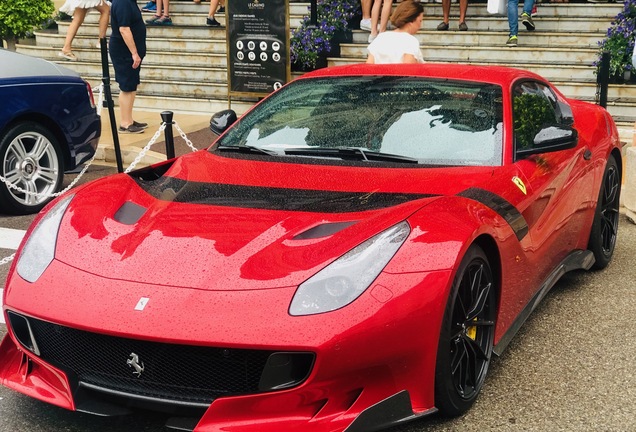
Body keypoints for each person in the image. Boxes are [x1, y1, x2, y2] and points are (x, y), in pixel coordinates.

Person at [110, 0, 148, 133]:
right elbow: (124, 29)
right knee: (126, 86)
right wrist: (134, 53)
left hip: (129, 51)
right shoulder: (123, 2)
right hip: (124, 52)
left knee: (131, 84)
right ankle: (125, 123)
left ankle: (129, 119)